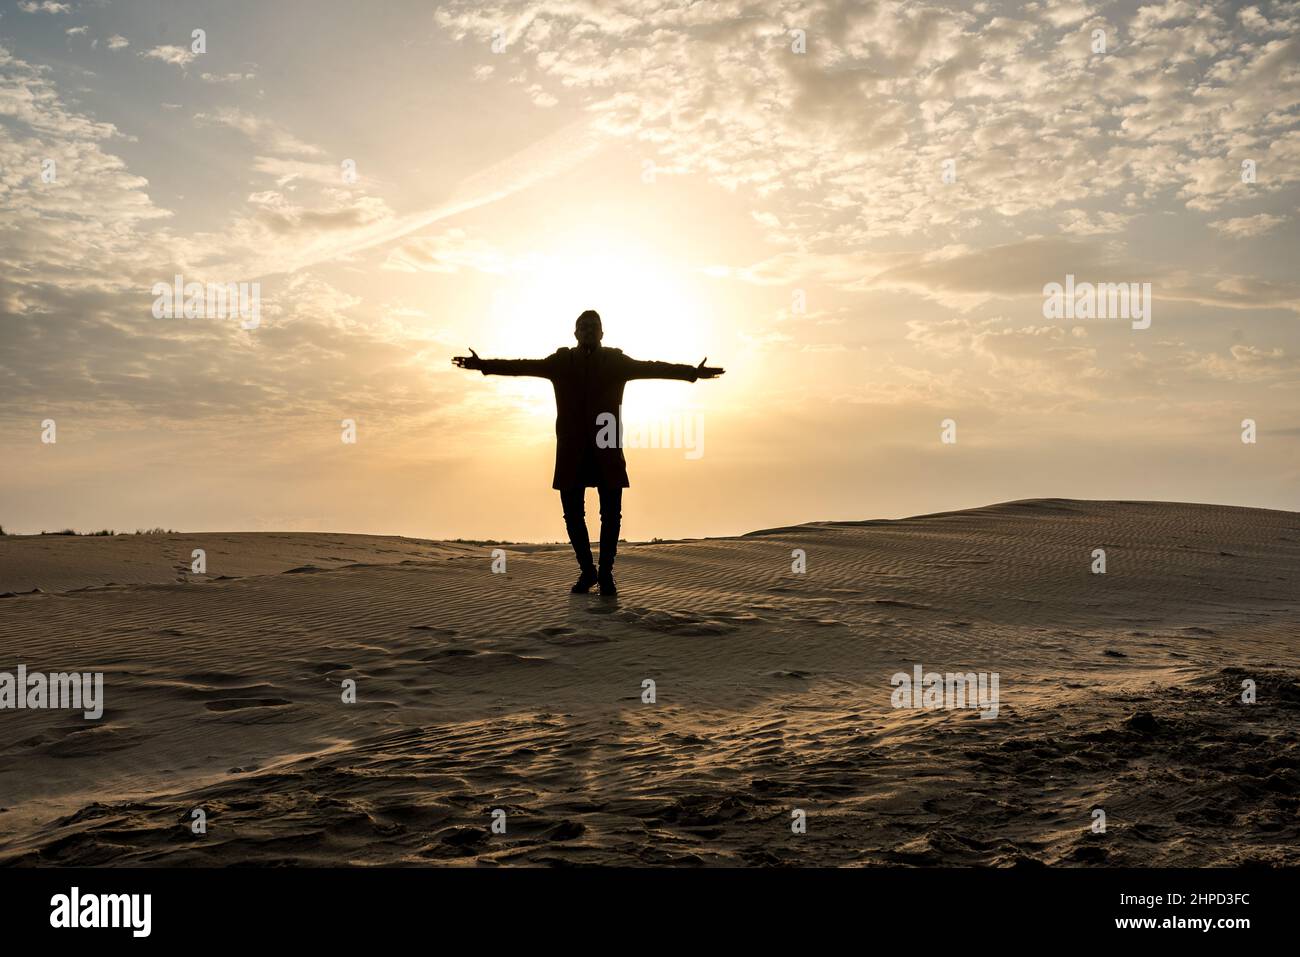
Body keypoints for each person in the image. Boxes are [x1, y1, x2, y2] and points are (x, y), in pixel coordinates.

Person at [453, 310, 724, 595]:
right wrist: (483, 364)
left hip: (607, 446)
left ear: (602, 333)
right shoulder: (561, 362)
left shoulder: (616, 362)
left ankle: (606, 574)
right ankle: (588, 572)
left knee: (611, 515)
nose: (588, 330)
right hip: (571, 448)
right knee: (572, 515)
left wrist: (692, 372)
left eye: (593, 327)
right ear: (575, 333)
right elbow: (522, 366)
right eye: (583, 326)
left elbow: (654, 368)